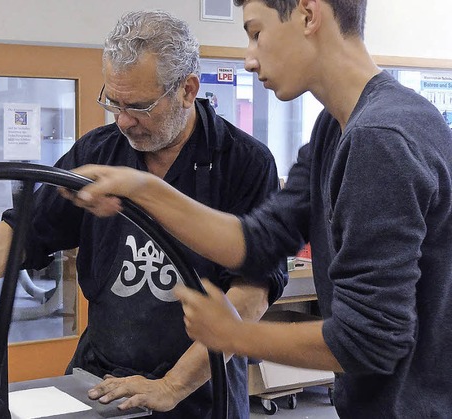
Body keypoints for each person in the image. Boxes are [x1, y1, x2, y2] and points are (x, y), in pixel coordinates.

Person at [0, 10, 286, 418]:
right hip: (101, 379)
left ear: (187, 89)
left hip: (198, 391)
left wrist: (172, 386)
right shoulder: (99, 151)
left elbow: (251, 294)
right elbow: (23, 232)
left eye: (140, 107)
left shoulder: (244, 163)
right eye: (113, 101)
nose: (123, 121)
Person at [60, 0, 452, 418]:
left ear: (307, 14)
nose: (248, 59)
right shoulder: (334, 129)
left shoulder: (381, 137)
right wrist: (143, 188)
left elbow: (371, 340)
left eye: (255, 32)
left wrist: (233, 334)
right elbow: (258, 240)